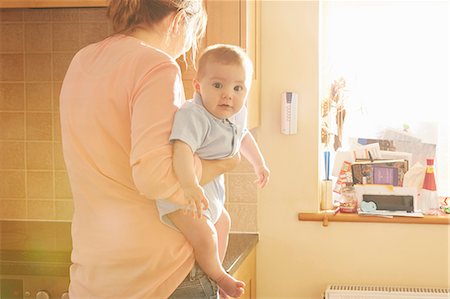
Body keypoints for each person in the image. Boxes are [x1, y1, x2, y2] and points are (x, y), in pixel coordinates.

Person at [60, 1, 240, 298]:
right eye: (194, 33)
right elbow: (155, 176)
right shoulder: (157, 66)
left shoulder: (82, 60)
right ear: (180, 19)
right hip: (160, 276)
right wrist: (220, 165)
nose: (188, 45)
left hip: (94, 274)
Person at [157, 44, 270, 298]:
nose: (228, 95)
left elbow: (243, 137)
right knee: (206, 234)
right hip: (182, 198)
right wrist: (189, 185)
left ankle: (213, 275)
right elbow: (182, 150)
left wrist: (259, 164)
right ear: (199, 86)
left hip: (210, 195)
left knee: (223, 222)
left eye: (237, 88)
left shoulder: (236, 113)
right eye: (218, 85)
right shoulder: (194, 115)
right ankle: (219, 276)